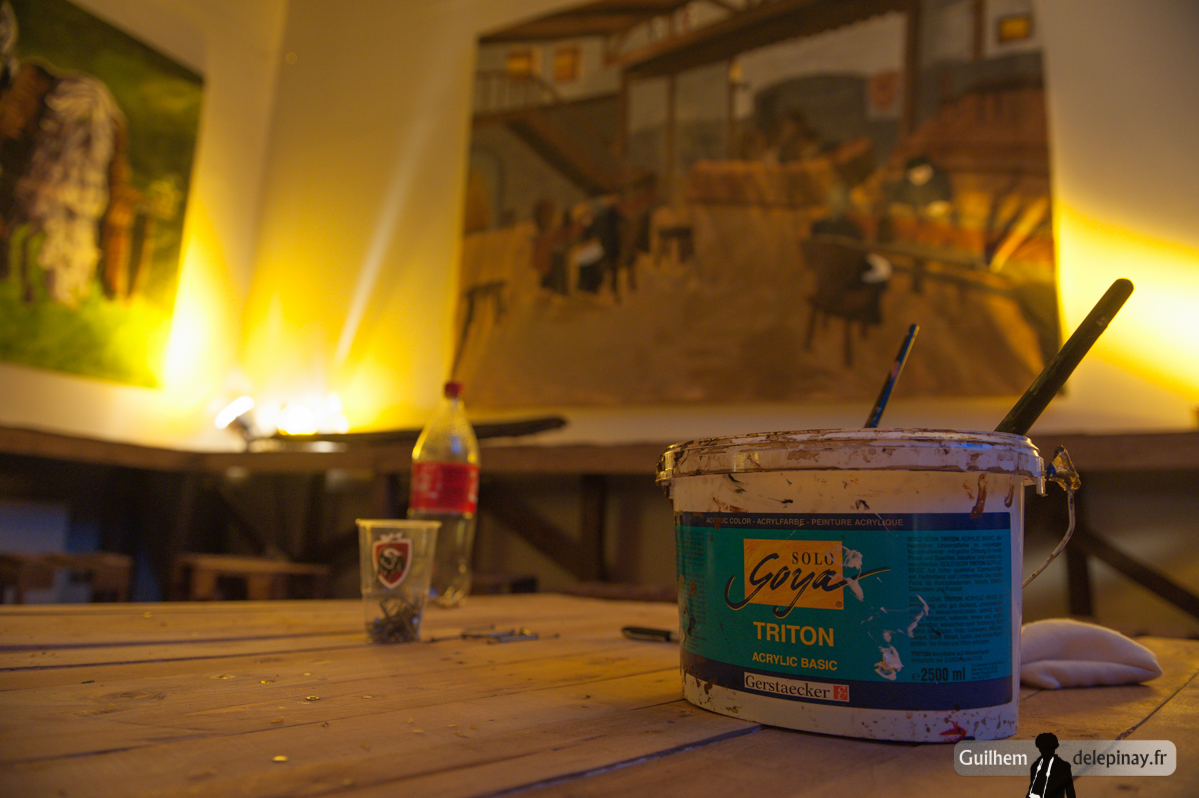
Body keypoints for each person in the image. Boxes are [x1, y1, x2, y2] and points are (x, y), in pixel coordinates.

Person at [1027, 732, 1076, 798]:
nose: (1044, 751)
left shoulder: (1063, 767)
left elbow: (1070, 792)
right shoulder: (1035, 766)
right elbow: (1070, 792)